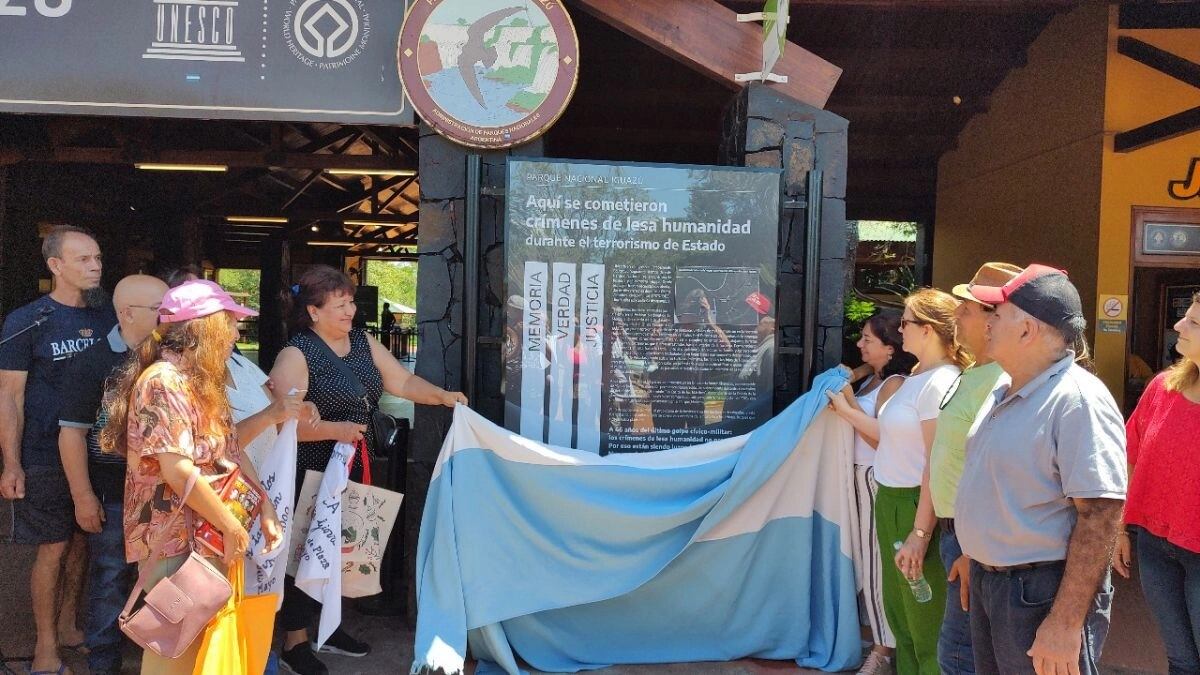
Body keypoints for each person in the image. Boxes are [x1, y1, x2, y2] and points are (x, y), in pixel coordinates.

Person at [268, 265, 467, 675]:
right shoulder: (296, 354)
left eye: (350, 303)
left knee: (344, 551)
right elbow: (279, 425)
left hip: (352, 463)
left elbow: (403, 382)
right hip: (312, 469)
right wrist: (332, 430)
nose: (350, 311)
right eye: (339, 305)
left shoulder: (362, 341)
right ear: (313, 311)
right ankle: (294, 641)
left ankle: (329, 626)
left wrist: (441, 397)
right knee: (306, 552)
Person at [99, 279, 284, 675]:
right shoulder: (163, 381)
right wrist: (231, 524)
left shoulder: (202, 380)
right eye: (232, 322)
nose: (238, 332)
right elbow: (177, 469)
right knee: (174, 654)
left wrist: (263, 507)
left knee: (199, 651)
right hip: (174, 540)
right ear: (207, 327)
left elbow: (230, 451)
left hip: (207, 535)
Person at [955, 265, 1126, 675]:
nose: (988, 321)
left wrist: (1065, 624)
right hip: (992, 585)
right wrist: (974, 554)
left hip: (1039, 594)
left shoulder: (1077, 400)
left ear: (1028, 329)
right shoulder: (1004, 388)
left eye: (998, 313)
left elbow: (1100, 514)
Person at [0, 225, 116, 675]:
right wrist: (12, 463)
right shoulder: (26, 320)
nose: (95, 266)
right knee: (52, 547)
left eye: (97, 258)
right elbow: (9, 398)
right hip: (45, 452)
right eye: (84, 259)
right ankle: (45, 647)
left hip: (98, 453)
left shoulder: (108, 318)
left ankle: (69, 624)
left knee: (86, 542)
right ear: (55, 266)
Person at [836, 289, 967, 675]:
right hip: (890, 499)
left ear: (927, 330)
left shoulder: (941, 381)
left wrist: (920, 532)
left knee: (924, 621)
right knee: (902, 618)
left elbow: (935, 463)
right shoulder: (915, 377)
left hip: (914, 505)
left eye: (906, 323)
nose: (901, 329)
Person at [57, 274, 168, 675]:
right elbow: (71, 433)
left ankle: (160, 656)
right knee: (110, 578)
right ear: (126, 313)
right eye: (160, 308)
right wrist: (83, 496)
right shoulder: (90, 362)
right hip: (112, 494)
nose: (169, 315)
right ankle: (103, 661)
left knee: (167, 578)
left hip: (167, 493)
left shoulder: (171, 359)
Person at [929, 262, 1022, 675]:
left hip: (972, 543)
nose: (956, 317)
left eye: (965, 309)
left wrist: (972, 550)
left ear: (993, 320)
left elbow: (997, 472)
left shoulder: (1003, 380)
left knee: (960, 655)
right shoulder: (977, 372)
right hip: (957, 534)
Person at [827, 309, 918, 675]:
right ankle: (880, 642)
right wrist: (859, 375)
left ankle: (883, 650)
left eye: (868, 339)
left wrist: (846, 405)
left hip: (873, 478)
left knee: (877, 567)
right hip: (859, 477)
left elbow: (880, 438)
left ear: (890, 348)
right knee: (864, 564)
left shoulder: (894, 384)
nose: (859, 344)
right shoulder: (876, 378)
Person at [1114, 290, 1200, 674]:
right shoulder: (1163, 388)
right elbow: (1130, 456)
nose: (1179, 324)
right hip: (1155, 547)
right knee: (1181, 660)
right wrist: (1119, 528)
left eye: (1194, 322)